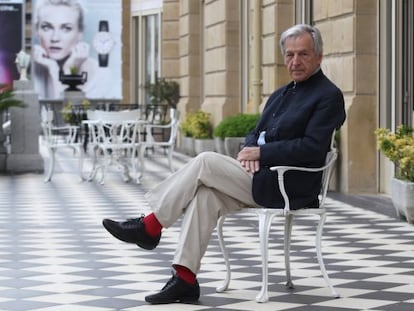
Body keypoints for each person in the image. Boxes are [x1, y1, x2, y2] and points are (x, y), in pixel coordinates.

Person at [103, 24, 346, 304]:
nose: (295, 61)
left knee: (205, 161)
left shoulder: (328, 95)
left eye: (303, 54)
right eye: (289, 55)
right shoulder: (281, 94)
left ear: (319, 56)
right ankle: (185, 278)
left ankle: (151, 225)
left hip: (288, 185)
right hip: (259, 177)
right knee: (205, 196)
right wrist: (249, 150)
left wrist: (262, 155)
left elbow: (313, 148)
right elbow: (256, 133)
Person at [32, 0, 98, 99]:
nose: (55, 38)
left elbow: (67, 112)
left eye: (66, 28)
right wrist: (53, 68)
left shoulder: (103, 76)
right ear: (37, 30)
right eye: (47, 27)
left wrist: (69, 71)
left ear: (80, 33)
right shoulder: (30, 71)